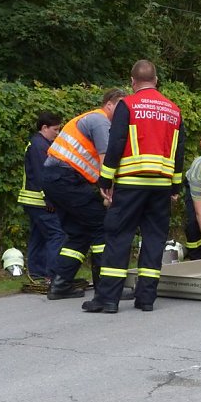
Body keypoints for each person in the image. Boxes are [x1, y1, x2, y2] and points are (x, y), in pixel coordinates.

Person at [84, 59, 186, 314]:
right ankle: (146, 299)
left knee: (119, 237)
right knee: (154, 240)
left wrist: (105, 180)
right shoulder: (174, 110)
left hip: (131, 182)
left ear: (132, 81)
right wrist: (175, 186)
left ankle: (108, 299)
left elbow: (116, 143)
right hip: (161, 185)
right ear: (156, 80)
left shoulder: (127, 105)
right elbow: (179, 151)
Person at [42, 88, 127, 300]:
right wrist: (112, 192)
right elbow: (106, 160)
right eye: (121, 107)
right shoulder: (100, 122)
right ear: (109, 104)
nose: (125, 112)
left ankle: (60, 284)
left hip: (59, 179)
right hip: (65, 179)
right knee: (100, 225)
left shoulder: (92, 119)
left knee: (79, 233)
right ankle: (105, 288)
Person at [17, 111, 66, 284]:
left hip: (32, 200)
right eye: (55, 129)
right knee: (57, 234)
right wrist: (49, 199)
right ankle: (52, 275)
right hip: (40, 200)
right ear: (44, 127)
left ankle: (36, 272)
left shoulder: (37, 143)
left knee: (38, 235)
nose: (57, 133)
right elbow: (42, 174)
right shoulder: (39, 145)